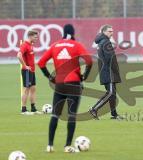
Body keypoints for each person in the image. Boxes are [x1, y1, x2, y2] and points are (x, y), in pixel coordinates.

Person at [38, 24, 92, 153]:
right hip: (74, 84)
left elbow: (40, 63)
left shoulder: (55, 45)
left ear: (63, 33)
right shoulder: (76, 45)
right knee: (71, 116)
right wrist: (84, 76)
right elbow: (89, 61)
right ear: (73, 33)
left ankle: (50, 145)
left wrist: (50, 78)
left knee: (55, 115)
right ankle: (67, 146)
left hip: (60, 84)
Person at [89, 24, 122, 120]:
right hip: (109, 72)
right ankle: (94, 109)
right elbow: (110, 59)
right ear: (103, 32)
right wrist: (116, 71)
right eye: (109, 31)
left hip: (105, 71)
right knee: (111, 93)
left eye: (112, 31)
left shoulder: (101, 42)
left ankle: (114, 114)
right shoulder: (106, 42)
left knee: (113, 93)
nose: (112, 33)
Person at [17, 30, 41, 115]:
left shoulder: (31, 45)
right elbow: (19, 55)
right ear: (30, 36)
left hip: (32, 71)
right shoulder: (25, 45)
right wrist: (25, 66)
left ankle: (33, 109)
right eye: (35, 37)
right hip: (26, 71)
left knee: (33, 89)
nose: (37, 39)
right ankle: (23, 110)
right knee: (26, 89)